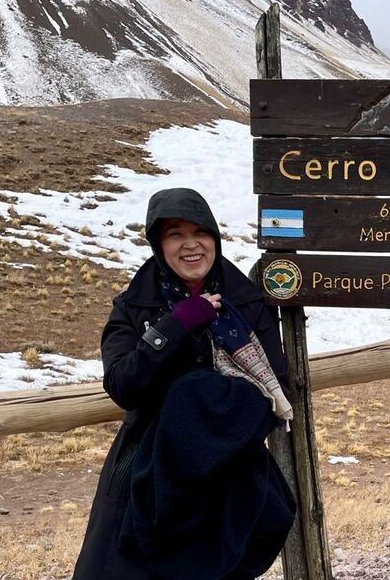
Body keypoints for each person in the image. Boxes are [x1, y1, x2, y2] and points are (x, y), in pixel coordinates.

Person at [73, 188, 296, 580]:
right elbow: (123, 384)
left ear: (215, 238)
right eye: (176, 234)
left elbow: (274, 387)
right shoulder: (134, 304)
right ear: (159, 244)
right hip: (147, 467)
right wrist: (175, 325)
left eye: (200, 232)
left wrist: (201, 406)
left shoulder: (245, 302)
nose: (191, 245)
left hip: (227, 467)